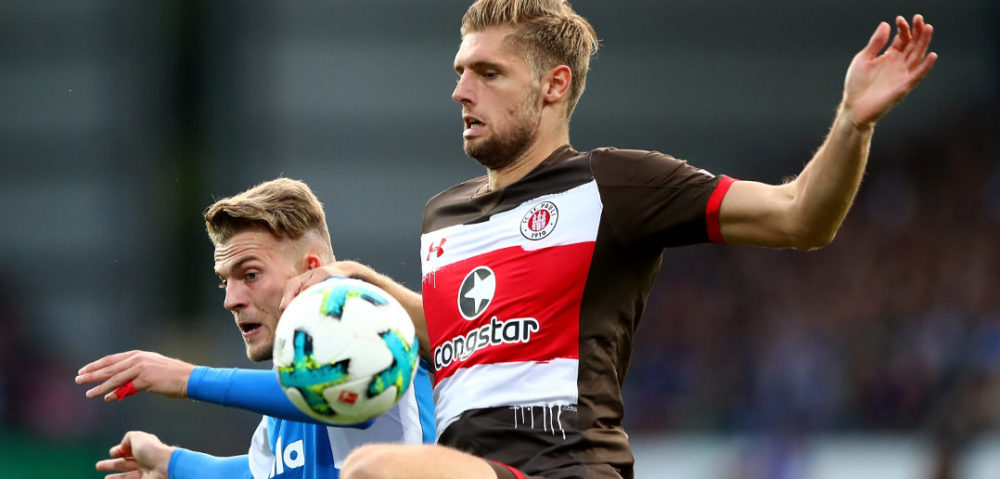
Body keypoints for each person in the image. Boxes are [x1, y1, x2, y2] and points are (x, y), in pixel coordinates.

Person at [281, 1, 937, 478]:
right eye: (459, 70)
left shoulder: (616, 184)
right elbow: (462, 336)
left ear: (554, 84)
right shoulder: (443, 216)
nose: (460, 91)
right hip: (474, 470)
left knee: (374, 470)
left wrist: (852, 122)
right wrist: (371, 288)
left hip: (563, 469)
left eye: (487, 72)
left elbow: (799, 216)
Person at [75, 178, 435, 478]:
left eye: (250, 275)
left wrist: (187, 378)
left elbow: (341, 392)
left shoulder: (367, 319)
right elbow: (263, 472)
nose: (231, 300)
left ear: (311, 269)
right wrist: (170, 463)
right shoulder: (292, 381)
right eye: (224, 282)